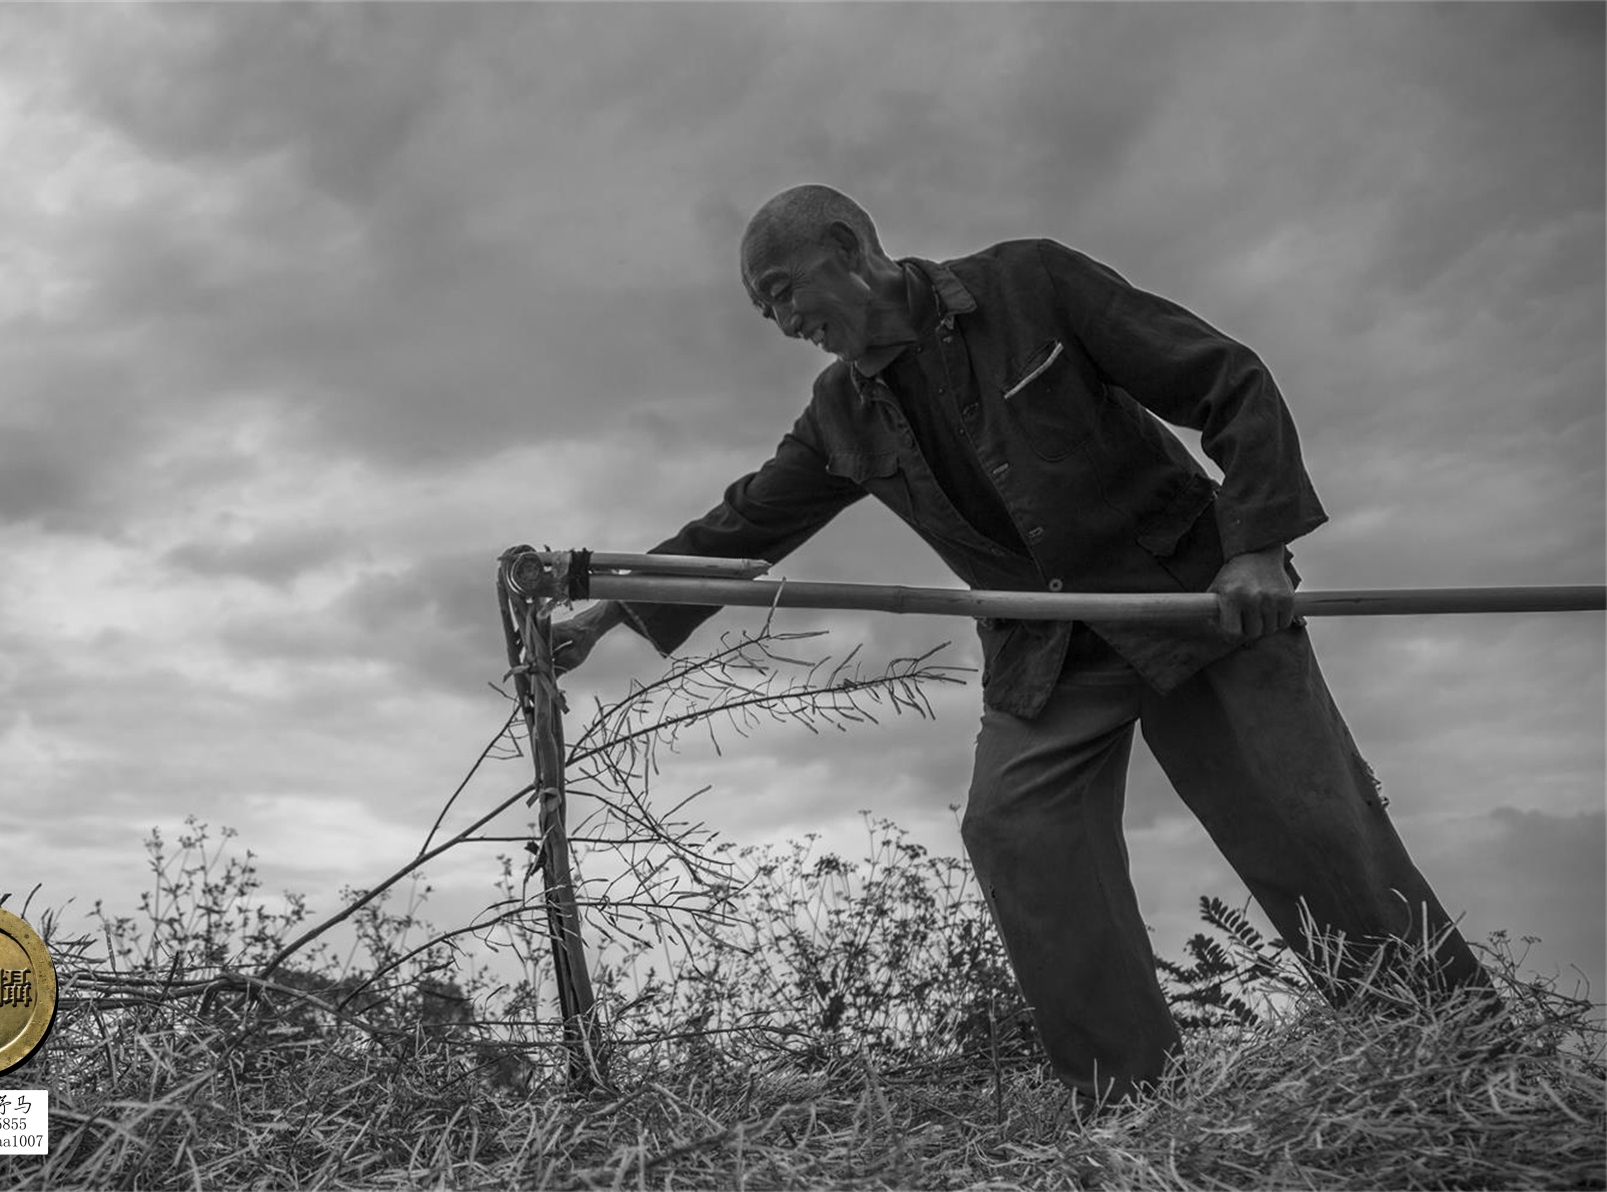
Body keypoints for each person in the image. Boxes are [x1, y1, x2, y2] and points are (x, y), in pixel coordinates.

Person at [552, 184, 1493, 1106]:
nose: (783, 317)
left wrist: (1255, 550)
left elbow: (1225, 378)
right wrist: (609, 608)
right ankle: (1132, 1103)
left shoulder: (1030, 284)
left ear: (846, 248)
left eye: (784, 289)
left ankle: (1452, 1058)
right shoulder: (840, 412)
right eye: (766, 309)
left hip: (1192, 605)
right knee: (1016, 830)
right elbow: (744, 522)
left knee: (1306, 819)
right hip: (1046, 649)